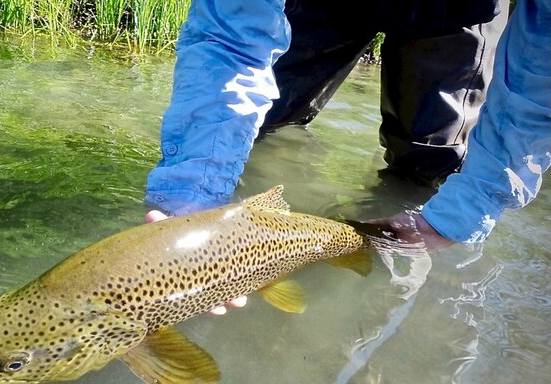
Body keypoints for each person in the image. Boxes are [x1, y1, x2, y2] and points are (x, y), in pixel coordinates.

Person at [144, 0, 551, 250]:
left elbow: (540, 80)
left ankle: (388, 267)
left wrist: (464, 211)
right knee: (262, 129)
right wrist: (196, 190)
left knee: (427, 172)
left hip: (456, 9)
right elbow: (230, 36)